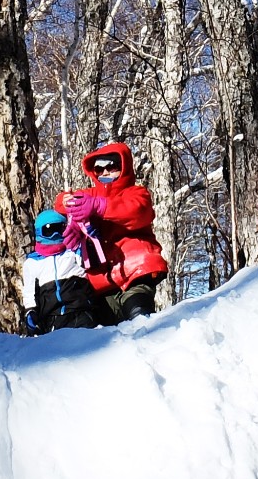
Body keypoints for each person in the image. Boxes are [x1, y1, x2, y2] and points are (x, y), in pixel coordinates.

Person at [58, 139, 167, 321]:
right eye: (99, 168)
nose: (105, 171)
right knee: (105, 342)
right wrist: (67, 204)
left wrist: (100, 207)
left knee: (141, 322)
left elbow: (137, 211)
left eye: (111, 166)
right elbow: (63, 201)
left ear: (124, 166)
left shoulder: (136, 192)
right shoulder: (90, 194)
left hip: (135, 272)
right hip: (101, 284)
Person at [21, 209, 102, 333]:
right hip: (52, 317)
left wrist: (90, 241)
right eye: (49, 230)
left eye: (60, 229)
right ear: (39, 232)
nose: (55, 235)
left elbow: (91, 260)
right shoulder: (32, 263)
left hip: (81, 311)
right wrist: (30, 311)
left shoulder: (74, 250)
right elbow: (29, 292)